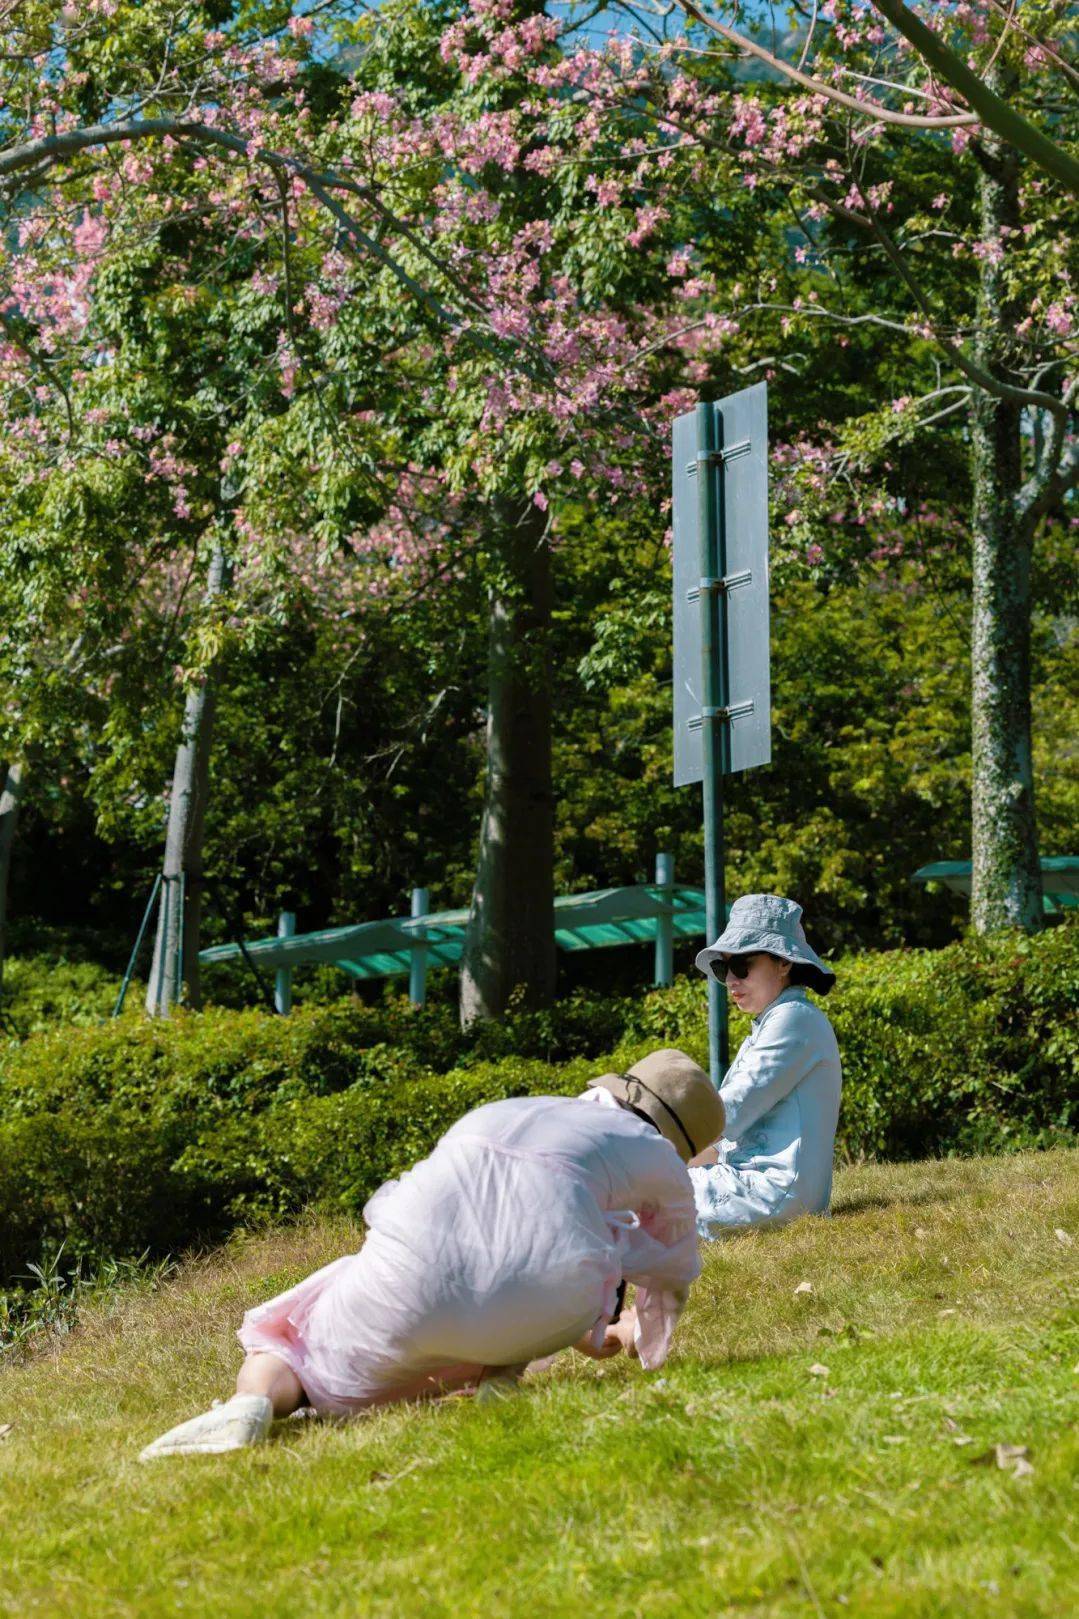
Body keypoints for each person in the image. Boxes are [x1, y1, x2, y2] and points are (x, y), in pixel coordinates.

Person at [140, 1048, 724, 1458]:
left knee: (300, 1343)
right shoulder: (656, 1163)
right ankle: (502, 1371)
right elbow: (673, 1273)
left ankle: (252, 1405)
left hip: (407, 1281)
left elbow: (407, 1209)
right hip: (540, 1311)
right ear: (682, 1142)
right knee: (533, 1274)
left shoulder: (522, 1108)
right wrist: (634, 1338)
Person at [688, 893, 841, 1235]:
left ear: (783, 963)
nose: (730, 980)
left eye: (742, 965)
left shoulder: (793, 1019)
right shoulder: (776, 1021)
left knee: (637, 1199)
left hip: (772, 1193)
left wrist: (648, 1145)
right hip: (757, 1184)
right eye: (724, 967)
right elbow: (725, 1135)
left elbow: (728, 1111)